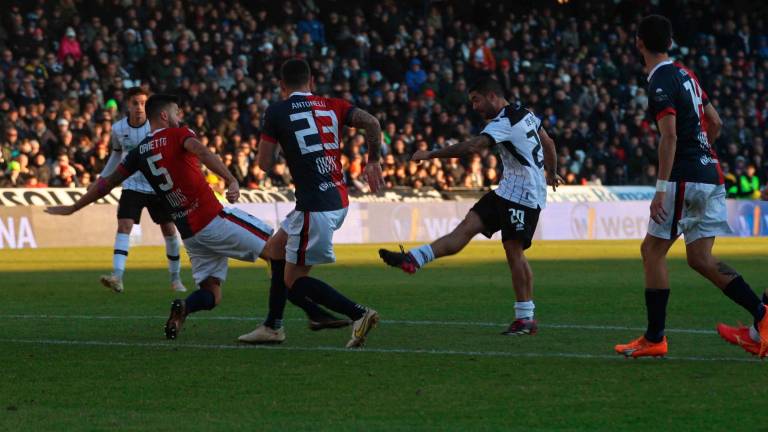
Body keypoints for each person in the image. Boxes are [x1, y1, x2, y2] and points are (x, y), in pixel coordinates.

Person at [45, 94, 347, 340]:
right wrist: (229, 178)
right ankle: (285, 321)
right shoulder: (178, 134)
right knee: (278, 251)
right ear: (164, 116)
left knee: (211, 292)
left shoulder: (139, 152)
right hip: (213, 220)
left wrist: (74, 207)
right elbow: (201, 151)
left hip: (191, 233)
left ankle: (184, 308)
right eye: (177, 111)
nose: (180, 116)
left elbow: (107, 182)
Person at [614, 15, 768, 359]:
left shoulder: (658, 82)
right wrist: (702, 154)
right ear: (669, 42)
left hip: (683, 178)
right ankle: (762, 313)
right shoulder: (687, 75)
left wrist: (660, 189)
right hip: (710, 175)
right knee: (701, 258)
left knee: (652, 252)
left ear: (639, 43)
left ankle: (655, 338)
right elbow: (716, 122)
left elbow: (669, 137)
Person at [378, 77, 561, 336]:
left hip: (525, 196)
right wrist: (551, 172)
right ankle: (414, 259)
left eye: (476, 100)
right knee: (467, 227)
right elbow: (549, 143)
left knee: (513, 251)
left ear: (492, 96)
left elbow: (474, 147)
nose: (474, 106)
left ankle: (525, 318)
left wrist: (431, 154)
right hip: (507, 190)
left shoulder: (504, 121)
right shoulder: (525, 113)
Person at [238, 59, 383, 348]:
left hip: (315, 206)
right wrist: (373, 159)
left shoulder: (277, 111)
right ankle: (272, 326)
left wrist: (282, 144)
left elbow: (264, 165)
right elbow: (372, 122)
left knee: (293, 281)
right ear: (311, 82)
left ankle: (360, 314)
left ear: (282, 86)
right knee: (275, 249)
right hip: (336, 198)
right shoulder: (333, 104)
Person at [97, 87, 186, 294]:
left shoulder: (156, 127)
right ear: (128, 105)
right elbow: (116, 154)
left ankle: (175, 279)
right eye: (135, 103)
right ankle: (117, 276)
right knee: (124, 226)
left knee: (170, 230)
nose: (139, 108)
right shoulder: (118, 129)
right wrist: (102, 178)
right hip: (132, 185)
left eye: (143, 103)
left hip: (158, 186)